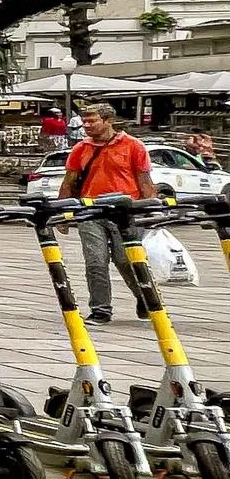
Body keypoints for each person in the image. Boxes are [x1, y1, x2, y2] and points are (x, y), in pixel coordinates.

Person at [60, 101, 157, 324]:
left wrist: (150, 210)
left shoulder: (133, 146)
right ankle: (100, 309)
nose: (86, 125)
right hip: (91, 211)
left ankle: (143, 296)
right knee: (95, 261)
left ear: (108, 121)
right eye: (84, 121)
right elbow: (70, 182)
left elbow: (144, 180)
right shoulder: (81, 149)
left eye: (92, 121)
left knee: (126, 260)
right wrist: (62, 213)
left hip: (126, 211)